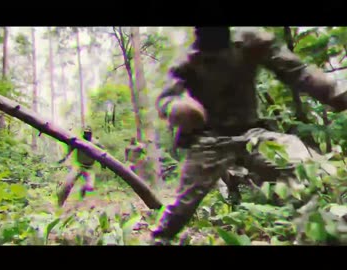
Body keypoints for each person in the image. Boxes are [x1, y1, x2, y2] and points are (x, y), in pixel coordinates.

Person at [152, 26, 347, 245]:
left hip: (252, 133)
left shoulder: (251, 42)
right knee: (183, 205)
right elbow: (166, 99)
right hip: (209, 140)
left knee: (303, 168)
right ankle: (159, 239)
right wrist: (178, 108)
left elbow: (295, 70)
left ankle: (320, 231)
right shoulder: (186, 62)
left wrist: (332, 92)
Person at [57, 127, 104, 206]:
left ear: (91, 134)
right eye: (85, 133)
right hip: (78, 166)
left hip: (89, 168)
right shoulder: (79, 141)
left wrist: (103, 164)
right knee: (67, 185)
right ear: (83, 133)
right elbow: (70, 148)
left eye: (88, 133)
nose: (87, 135)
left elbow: (103, 153)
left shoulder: (95, 143)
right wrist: (64, 158)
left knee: (90, 187)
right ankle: (60, 203)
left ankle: (82, 194)